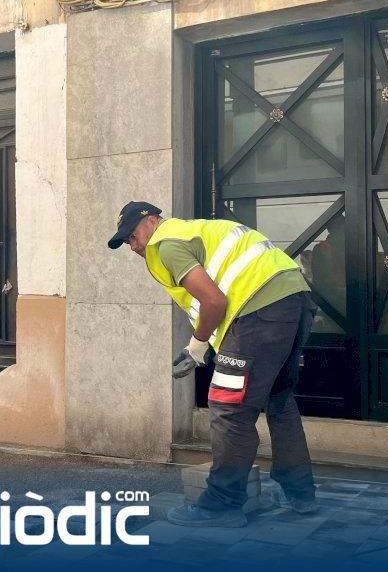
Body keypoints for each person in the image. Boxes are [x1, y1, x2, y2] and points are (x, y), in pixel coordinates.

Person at [108, 201, 317, 528]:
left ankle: (222, 505)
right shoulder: (193, 232)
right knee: (278, 398)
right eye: (126, 242)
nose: (133, 246)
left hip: (258, 310)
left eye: (132, 235)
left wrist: (197, 345)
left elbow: (214, 301)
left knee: (228, 408)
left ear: (152, 221)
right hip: (294, 300)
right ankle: (300, 493)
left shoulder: (166, 244)